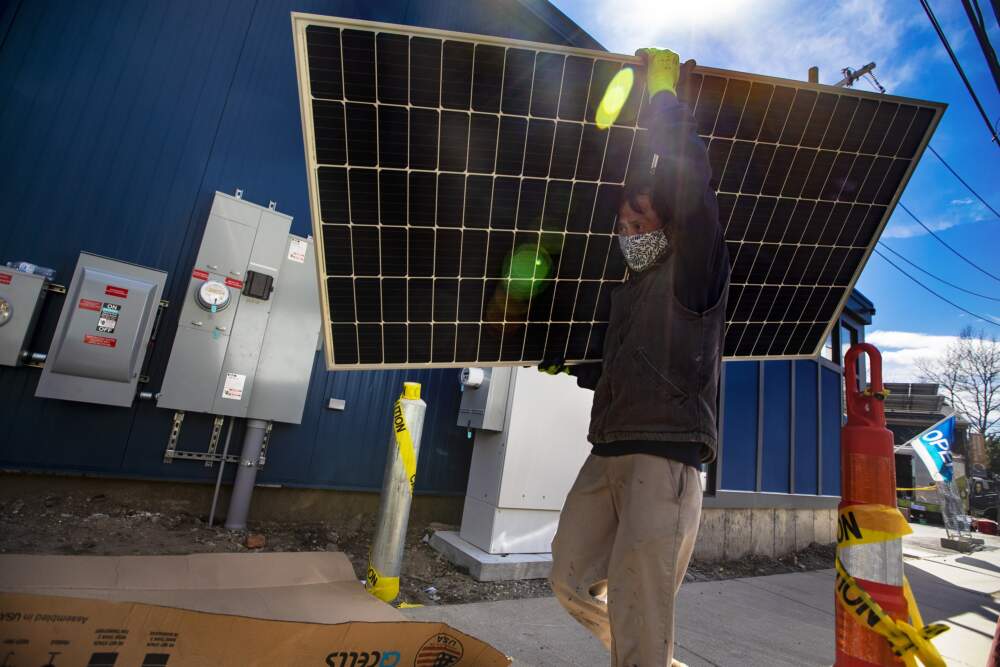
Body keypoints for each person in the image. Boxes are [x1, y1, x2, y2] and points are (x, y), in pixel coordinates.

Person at [540, 48, 730, 667]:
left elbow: (691, 189)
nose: (628, 233)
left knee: (641, 609)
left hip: (664, 458)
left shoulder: (693, 274)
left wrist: (664, 100)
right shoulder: (627, 291)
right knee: (568, 576)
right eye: (621, 225)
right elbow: (628, 364)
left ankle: (646, 659)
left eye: (639, 220)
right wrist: (573, 361)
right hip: (610, 450)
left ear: (670, 226)